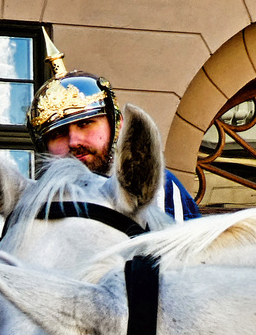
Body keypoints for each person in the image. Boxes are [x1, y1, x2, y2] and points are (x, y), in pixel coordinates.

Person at [26, 30, 202, 222]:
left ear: (117, 125)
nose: (74, 141)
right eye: (58, 134)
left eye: (85, 124)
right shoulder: (34, 207)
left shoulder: (162, 190)